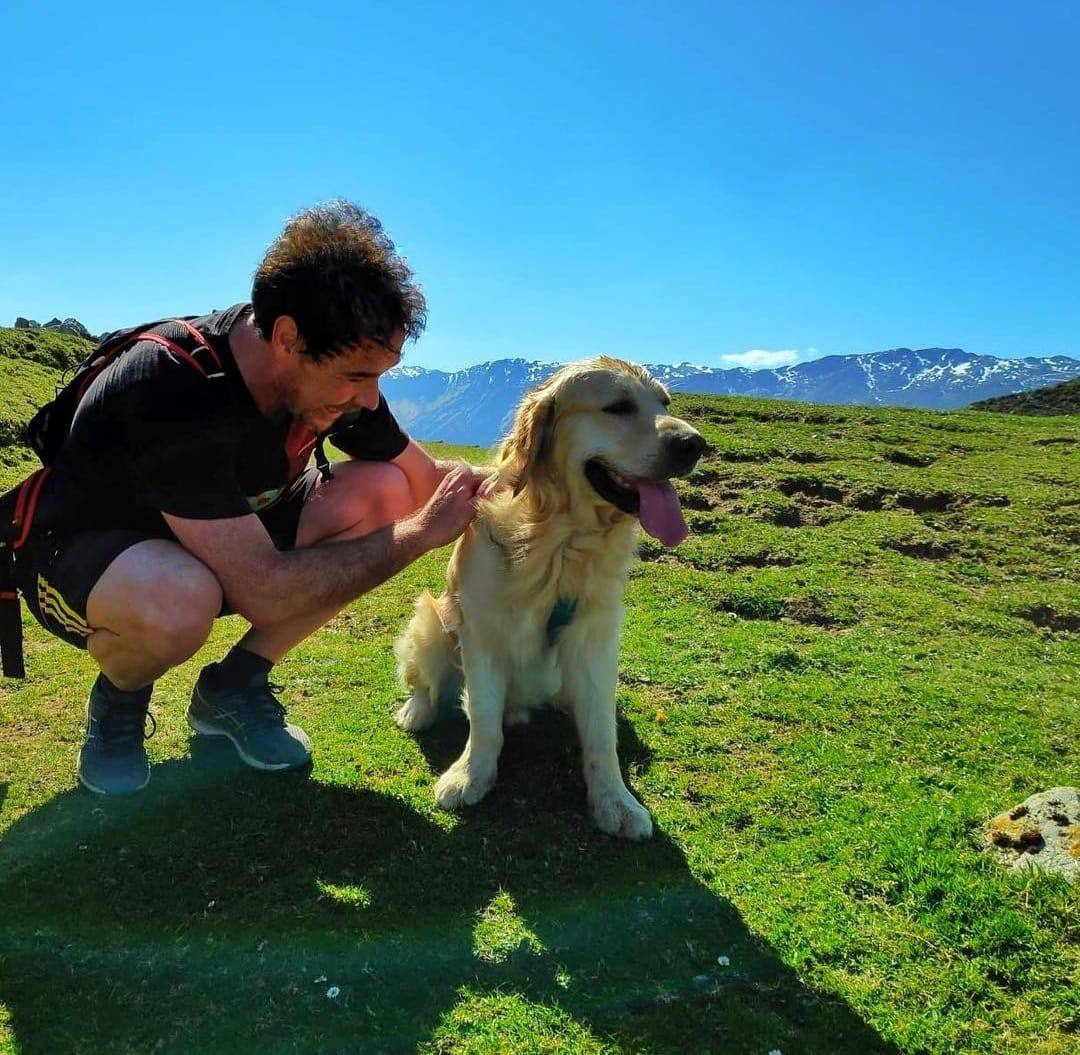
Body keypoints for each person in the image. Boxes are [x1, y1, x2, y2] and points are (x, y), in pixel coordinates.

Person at [12, 200, 491, 795]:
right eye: (358, 377)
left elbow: (425, 479)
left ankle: (234, 686)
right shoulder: (173, 388)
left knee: (386, 490)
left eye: (381, 376)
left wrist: (511, 489)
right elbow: (265, 592)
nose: (370, 400)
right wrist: (421, 535)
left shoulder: (328, 368)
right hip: (93, 554)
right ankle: (120, 701)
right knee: (179, 599)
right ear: (288, 336)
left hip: (224, 542)